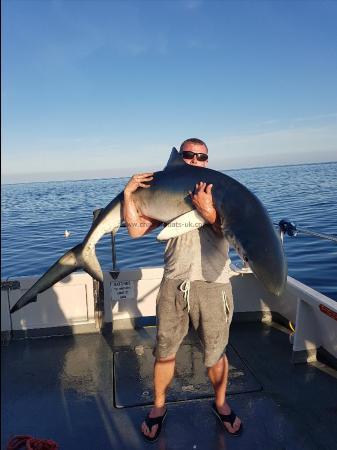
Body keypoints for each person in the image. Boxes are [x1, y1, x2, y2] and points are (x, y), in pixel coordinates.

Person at [123, 138, 242, 441]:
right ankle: (158, 407)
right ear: (181, 158)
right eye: (188, 155)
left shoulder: (221, 191)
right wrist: (128, 194)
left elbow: (229, 229)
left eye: (201, 156)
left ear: (206, 161)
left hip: (213, 284)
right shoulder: (164, 190)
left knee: (215, 354)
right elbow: (136, 230)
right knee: (164, 352)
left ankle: (221, 403)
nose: (194, 159)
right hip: (174, 282)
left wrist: (208, 211)